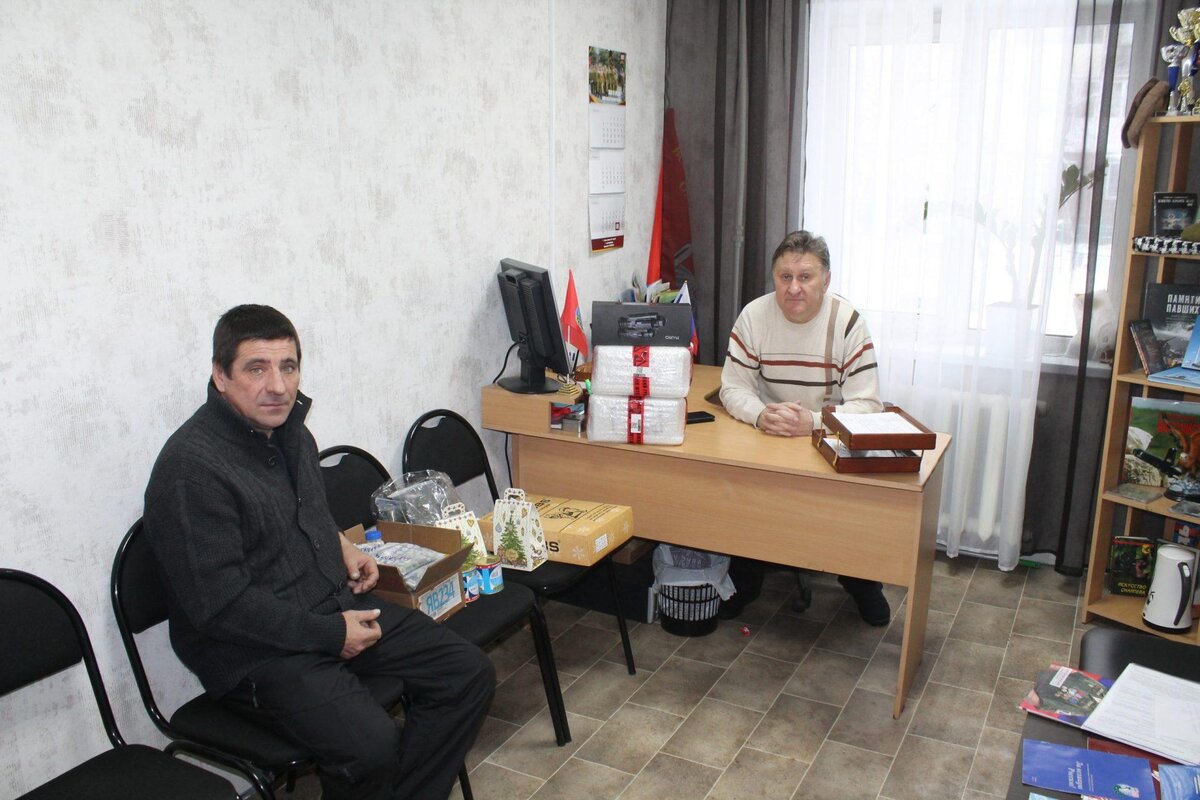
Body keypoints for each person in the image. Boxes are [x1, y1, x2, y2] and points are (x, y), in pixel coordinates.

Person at [144, 304, 494, 800]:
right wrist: (331, 635)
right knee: (370, 748)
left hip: (329, 606)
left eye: (288, 367)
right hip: (254, 652)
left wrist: (340, 543)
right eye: (256, 369)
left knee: (465, 674)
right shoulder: (191, 472)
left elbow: (300, 510)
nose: (278, 386)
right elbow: (218, 606)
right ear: (220, 376)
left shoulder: (291, 433)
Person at [718, 230, 892, 626]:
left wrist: (811, 423)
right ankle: (745, 580)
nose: (793, 288)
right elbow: (732, 387)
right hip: (769, 432)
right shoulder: (754, 316)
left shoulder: (847, 322)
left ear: (826, 280)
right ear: (774, 278)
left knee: (850, 504)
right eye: (785, 277)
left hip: (826, 435)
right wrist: (760, 414)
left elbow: (868, 405)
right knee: (741, 490)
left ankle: (860, 580)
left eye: (805, 277)